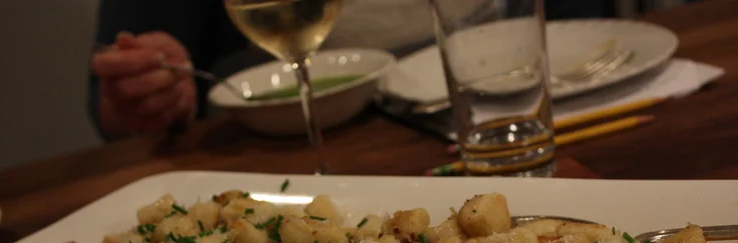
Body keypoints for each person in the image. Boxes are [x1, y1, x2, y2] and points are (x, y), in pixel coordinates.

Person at [89, 0, 607, 141]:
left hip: (527, 121)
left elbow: (578, 18)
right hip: (273, 157)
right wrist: (149, 92)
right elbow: (109, 107)